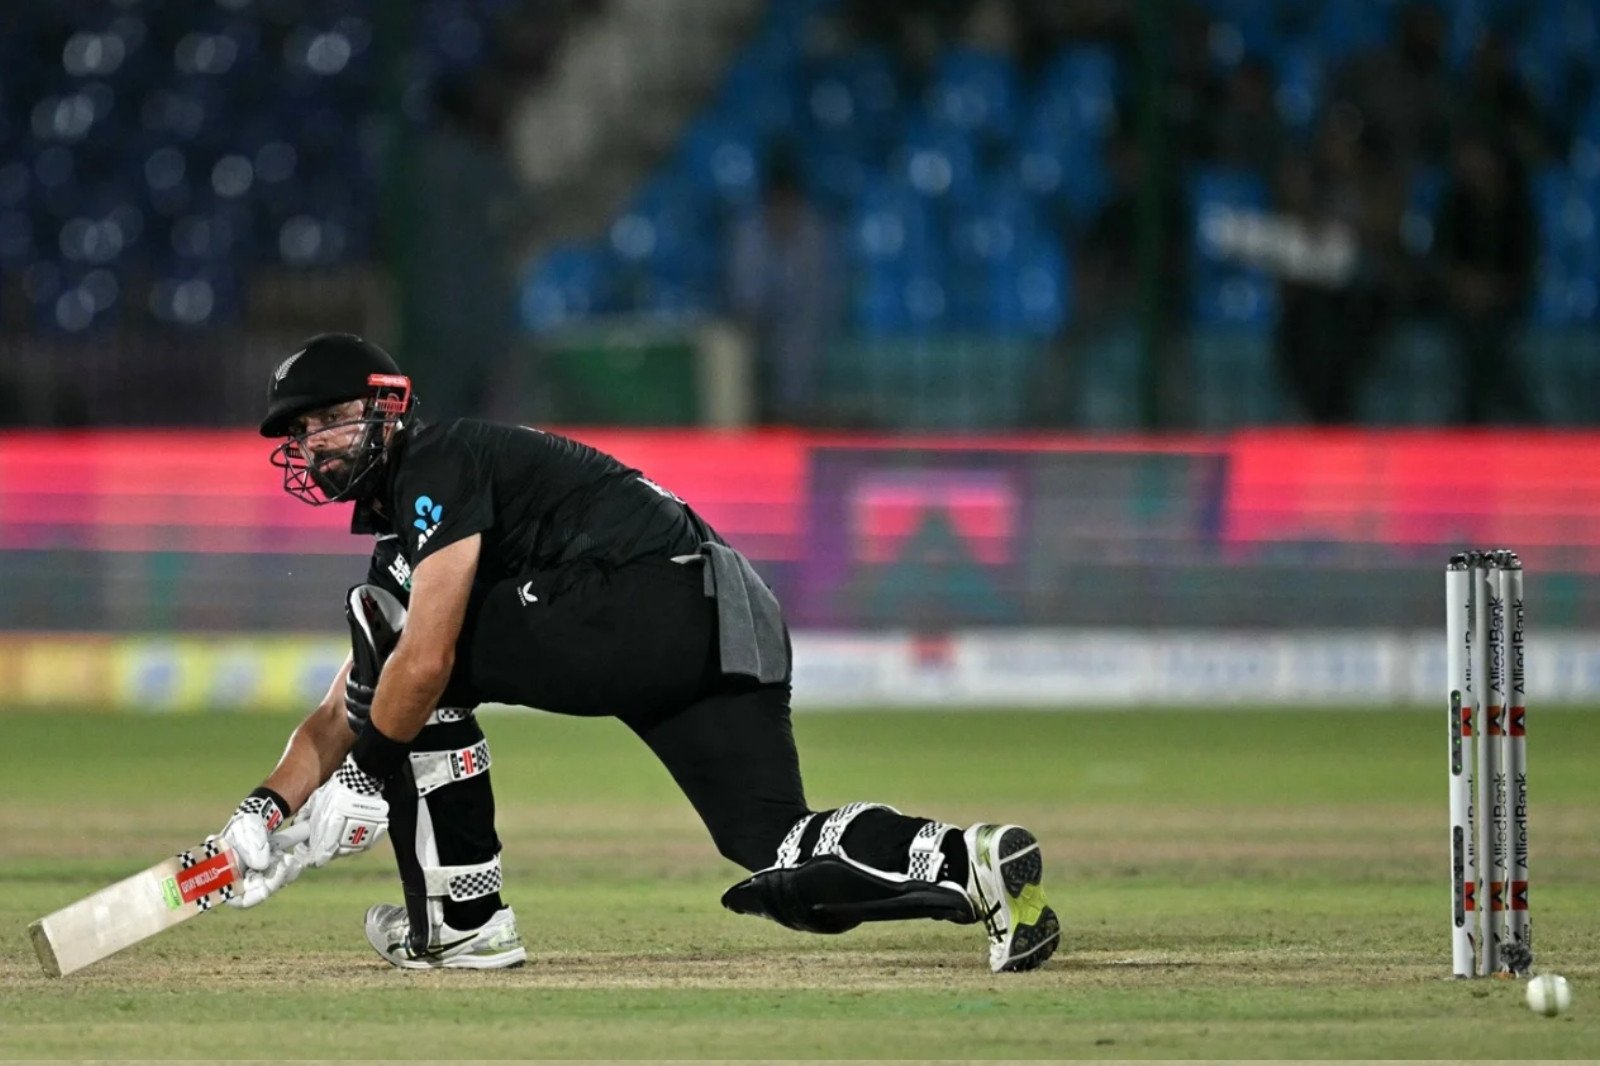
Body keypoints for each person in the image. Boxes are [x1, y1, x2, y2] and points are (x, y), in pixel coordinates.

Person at [212, 332, 1059, 974]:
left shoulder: (435, 459)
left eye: (328, 419)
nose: (314, 442)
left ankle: (464, 919)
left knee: (402, 648)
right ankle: (970, 860)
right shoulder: (414, 524)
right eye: (303, 430)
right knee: (774, 840)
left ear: (389, 405)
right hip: (727, 613)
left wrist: (365, 779)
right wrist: (263, 812)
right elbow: (344, 706)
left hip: (643, 595)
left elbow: (419, 662)